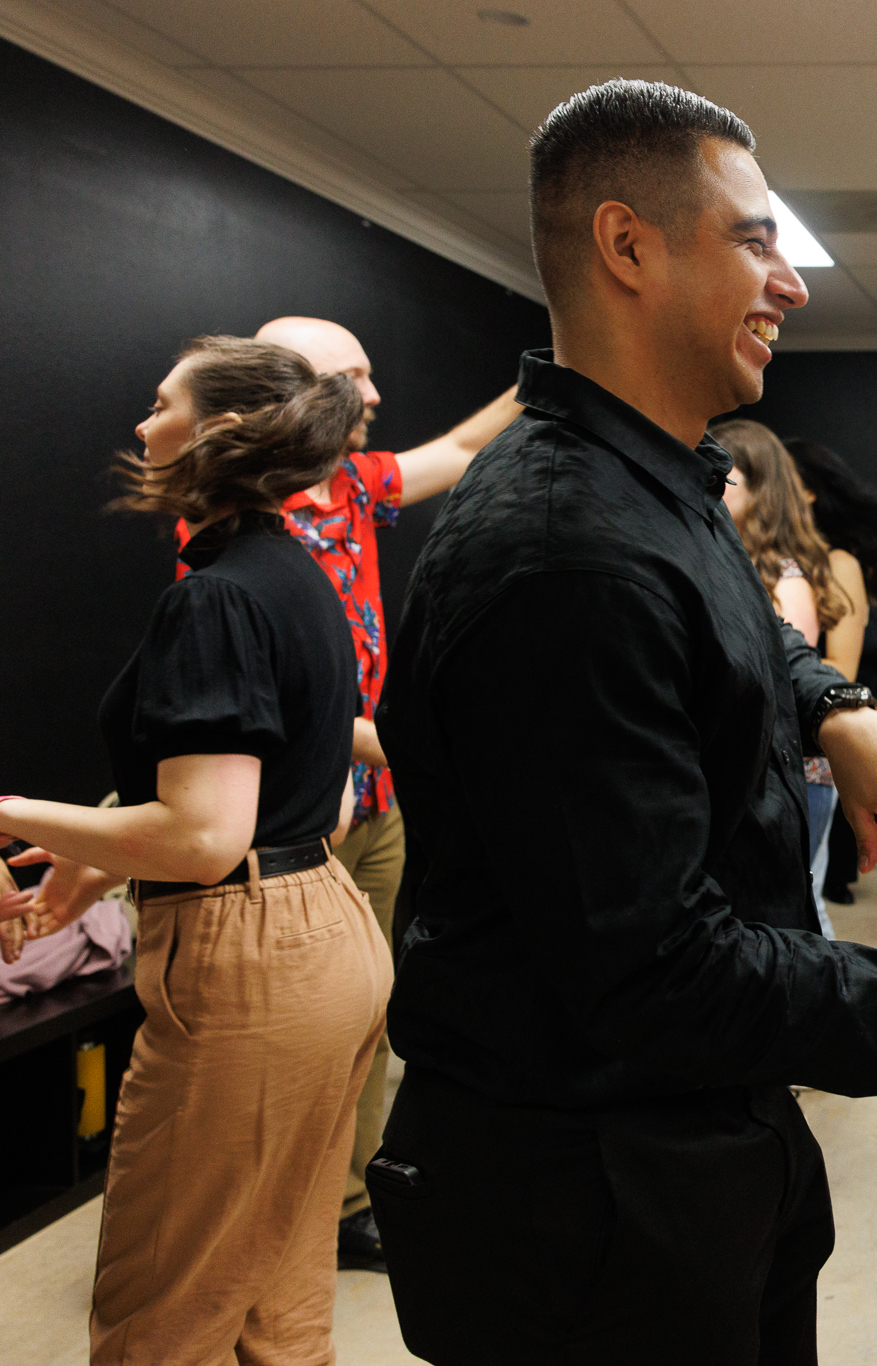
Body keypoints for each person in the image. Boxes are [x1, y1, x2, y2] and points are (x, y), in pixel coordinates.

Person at [365, 79, 877, 1363]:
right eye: (754, 241)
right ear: (627, 246)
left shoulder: (650, 485)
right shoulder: (565, 552)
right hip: (592, 1216)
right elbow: (666, 977)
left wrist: (834, 712)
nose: (789, 284)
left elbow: (731, 632)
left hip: (686, 1165)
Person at [0, 336, 386, 1362]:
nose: (142, 424)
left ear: (220, 430)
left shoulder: (214, 596)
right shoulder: (295, 575)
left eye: (161, 403)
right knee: (275, 1293)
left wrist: (17, 812)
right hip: (324, 932)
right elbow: (283, 800)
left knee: (161, 1314)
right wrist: (96, 863)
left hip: (251, 958)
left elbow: (206, 836)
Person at [172, 314, 521, 1273]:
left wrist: (556, 371)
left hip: (375, 804)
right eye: (353, 377)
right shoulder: (236, 518)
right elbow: (277, 701)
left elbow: (461, 447)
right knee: (284, 1035)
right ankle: (269, 1214)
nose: (372, 395)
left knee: (368, 1011)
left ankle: (345, 1203)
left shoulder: (358, 484)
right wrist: (415, 748)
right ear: (291, 388)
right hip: (298, 815)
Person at [714, 418, 850, 935]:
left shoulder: (784, 579)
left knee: (800, 909)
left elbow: (780, 685)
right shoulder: (741, 563)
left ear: (760, 490)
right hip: (763, 768)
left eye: (726, 477)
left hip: (795, 772)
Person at [785, 437, 877, 903]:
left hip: (812, 749)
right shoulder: (778, 557)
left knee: (807, 898)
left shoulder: (837, 563)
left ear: (809, 491)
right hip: (784, 744)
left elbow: (841, 668)